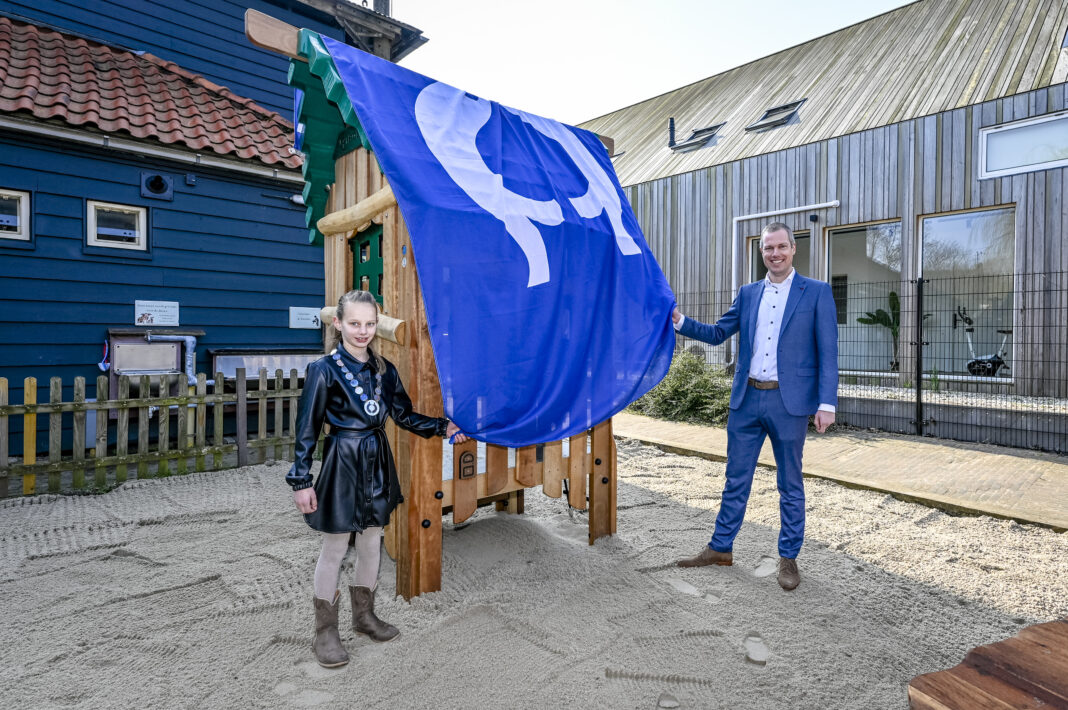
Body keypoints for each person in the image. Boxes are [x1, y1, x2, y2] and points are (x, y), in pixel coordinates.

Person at [286, 289, 467, 667]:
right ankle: (325, 632)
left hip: (377, 459)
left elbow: (403, 415)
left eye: (370, 324)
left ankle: (364, 617)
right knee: (335, 547)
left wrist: (441, 427)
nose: (363, 331)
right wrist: (301, 480)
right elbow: (307, 429)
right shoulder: (323, 370)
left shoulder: (385, 371)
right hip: (342, 461)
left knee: (372, 542)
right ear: (338, 323)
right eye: (354, 323)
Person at [672, 222, 837, 591]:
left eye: (781, 247)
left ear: (793, 249)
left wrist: (827, 403)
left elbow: (829, 352)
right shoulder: (748, 293)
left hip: (789, 403)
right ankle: (720, 548)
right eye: (767, 249)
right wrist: (679, 321)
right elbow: (717, 333)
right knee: (736, 478)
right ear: (761, 252)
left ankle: (788, 558)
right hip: (746, 400)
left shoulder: (817, 293)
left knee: (789, 484)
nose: (774, 254)